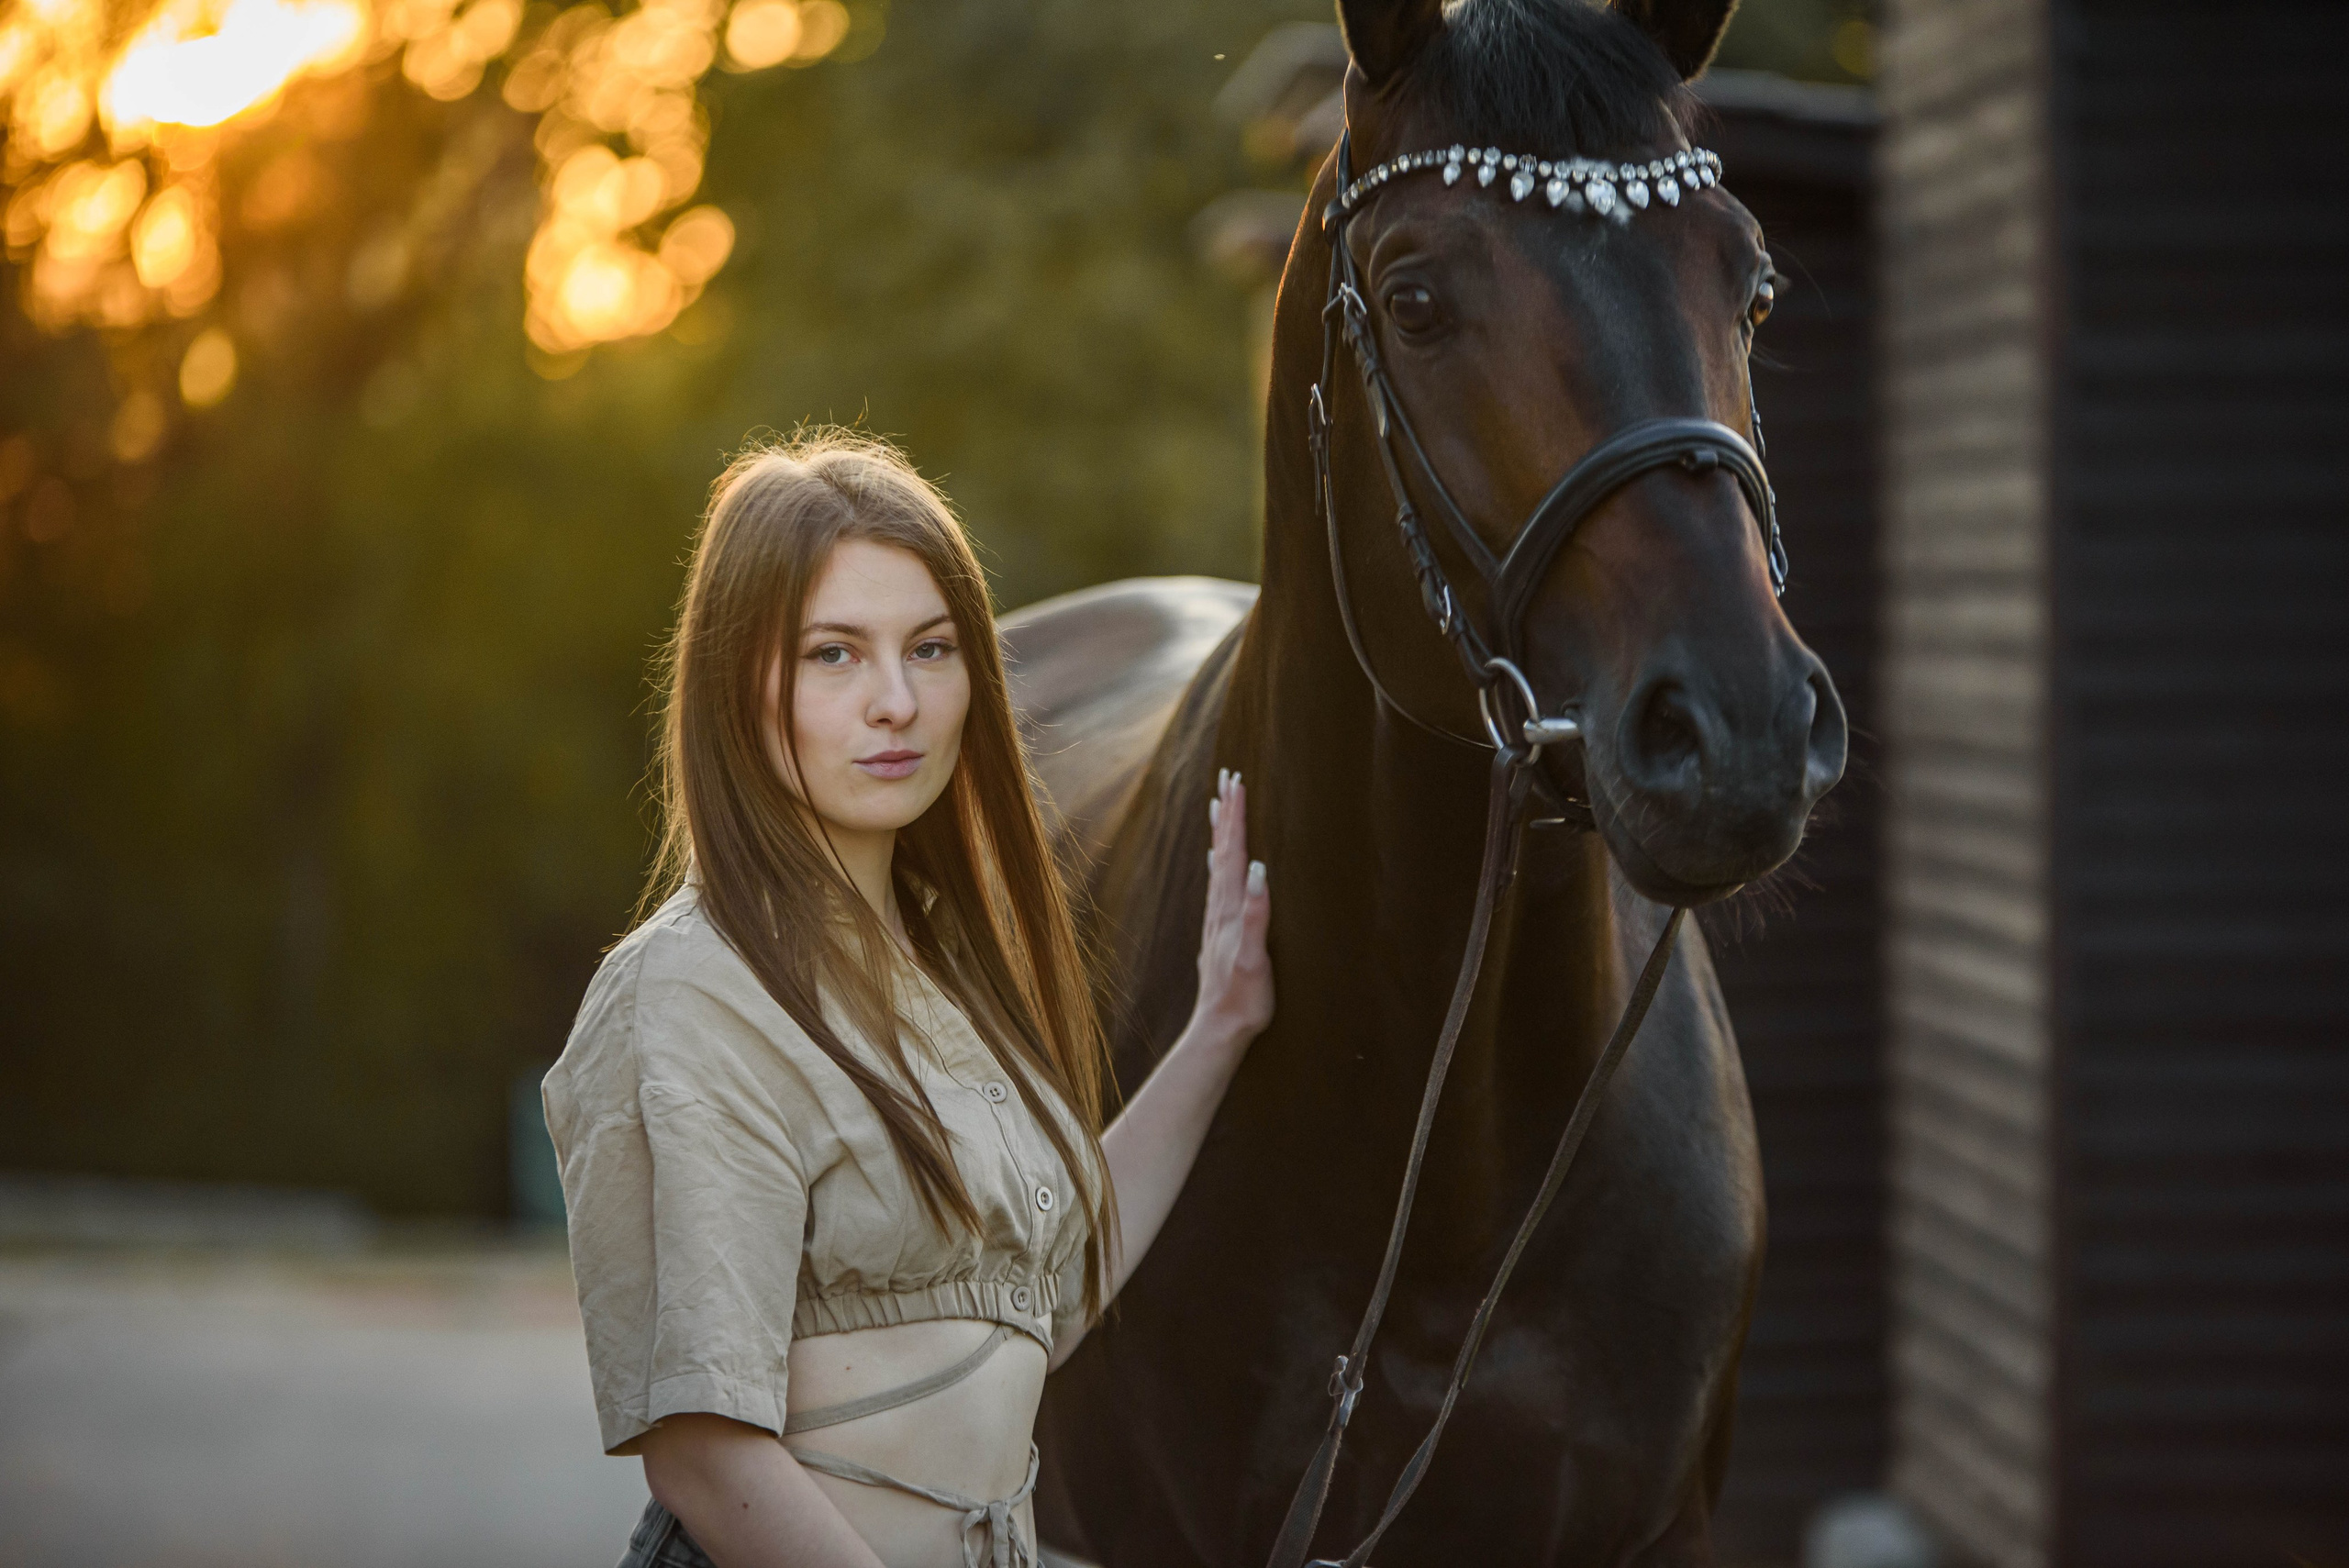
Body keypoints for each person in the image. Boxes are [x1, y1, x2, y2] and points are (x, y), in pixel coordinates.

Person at [543, 428, 1273, 1568]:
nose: (897, 701)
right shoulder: (690, 992)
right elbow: (701, 1444)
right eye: (834, 654)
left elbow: (1049, 1285)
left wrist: (1218, 1024)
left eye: (930, 649)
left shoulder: (949, 971)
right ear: (739, 683)